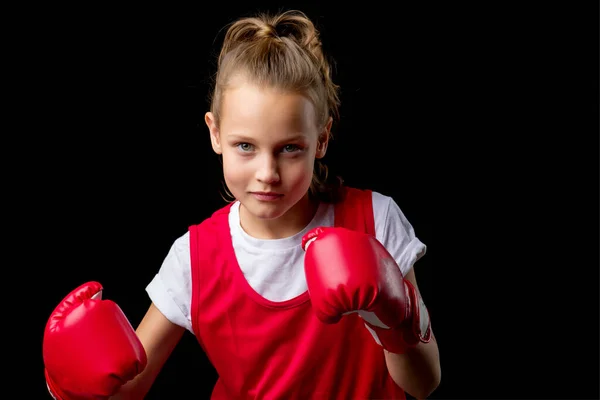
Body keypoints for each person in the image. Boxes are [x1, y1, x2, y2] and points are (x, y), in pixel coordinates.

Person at [42, 9, 441, 400]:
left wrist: (394, 317)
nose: (268, 172)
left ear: (321, 139)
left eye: (290, 148)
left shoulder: (375, 220)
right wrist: (69, 384)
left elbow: (424, 385)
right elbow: (128, 391)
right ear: (215, 133)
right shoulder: (194, 258)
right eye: (245, 146)